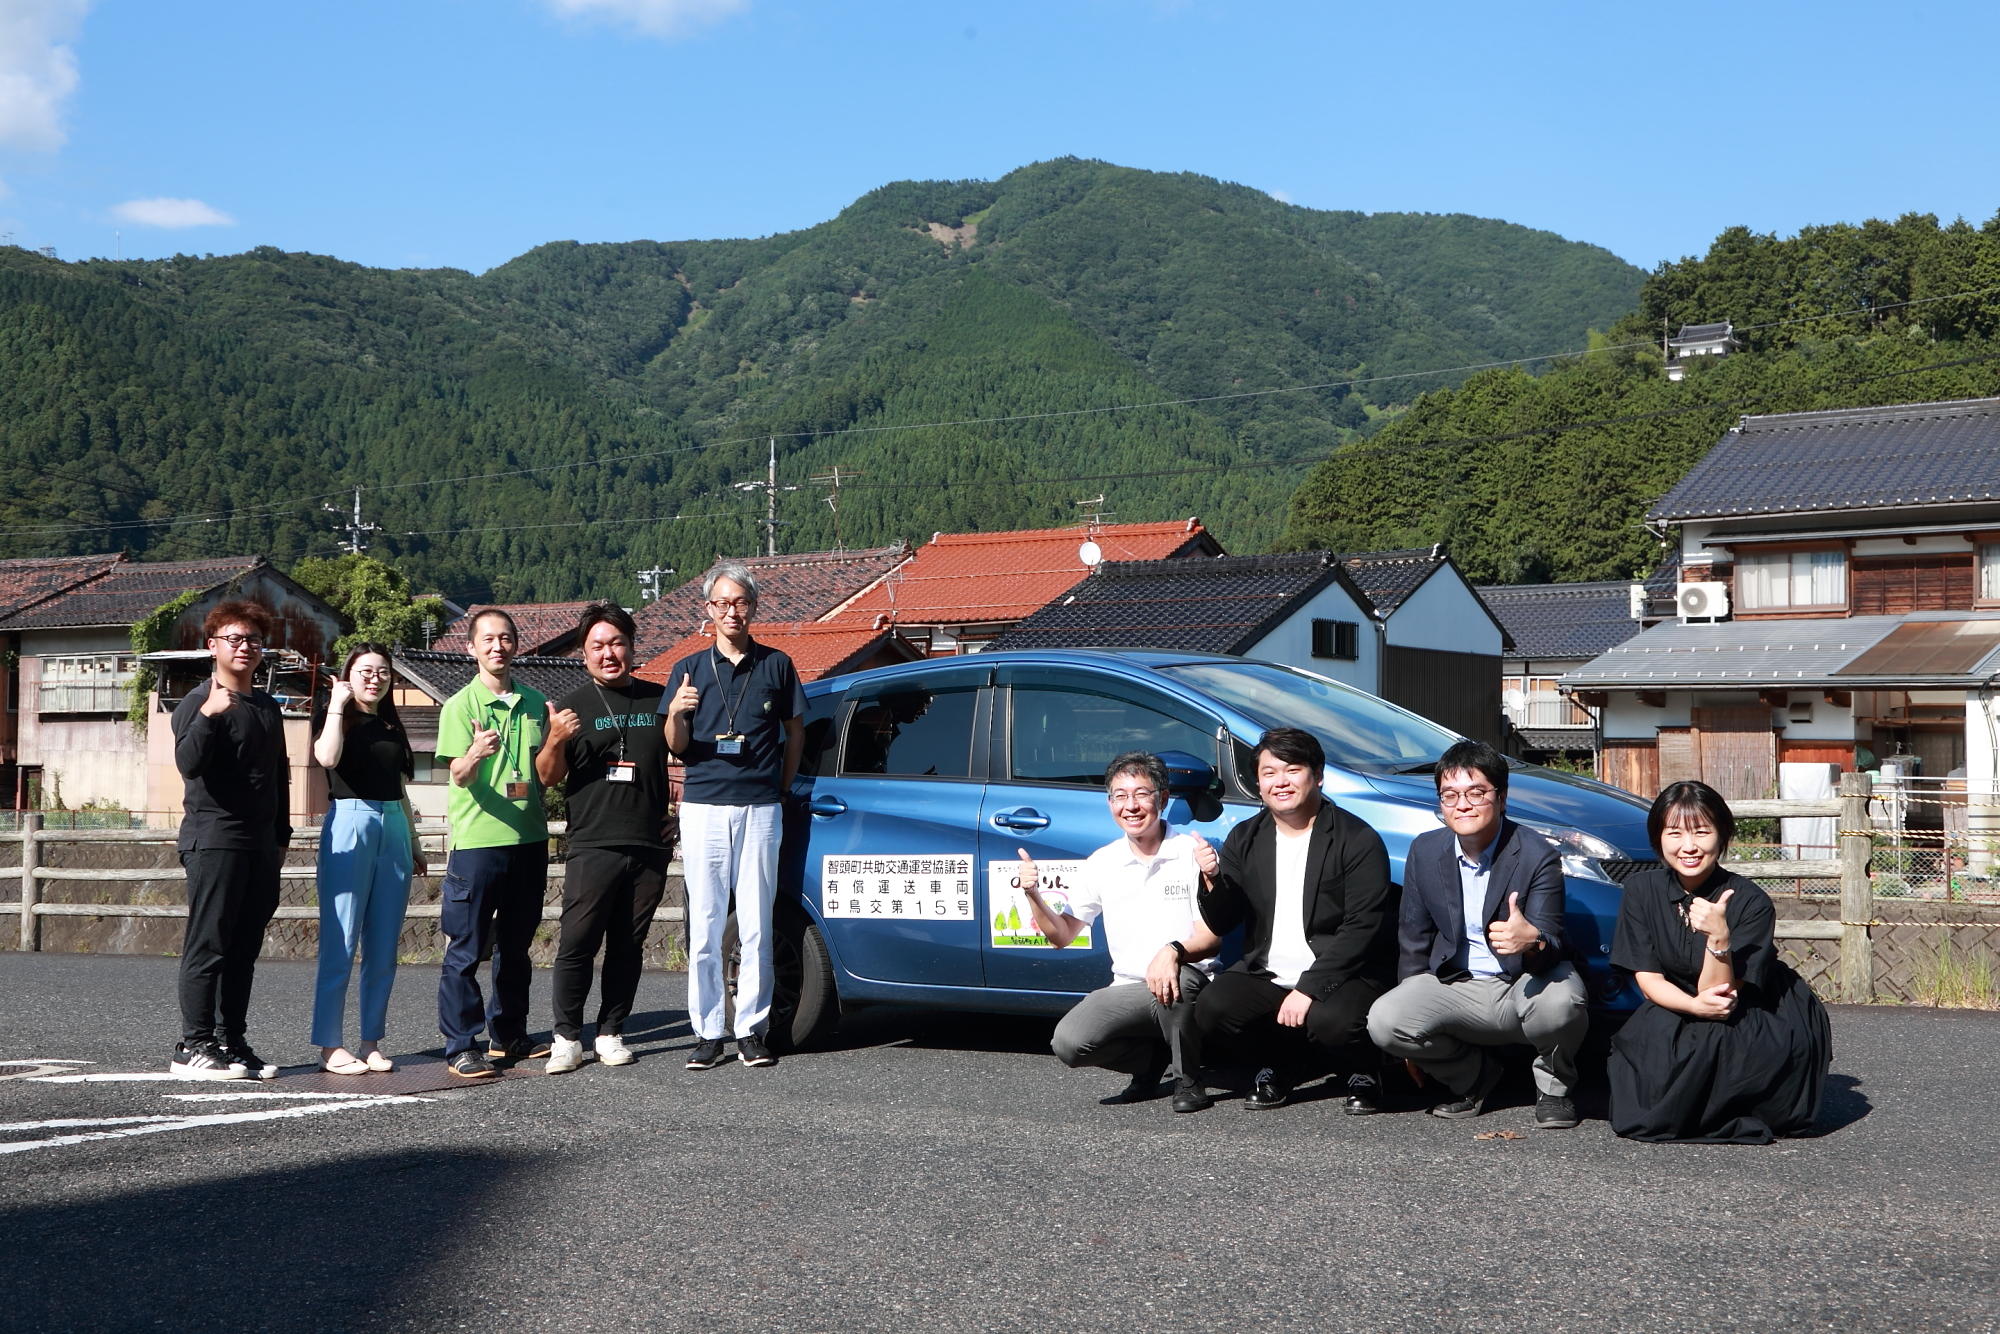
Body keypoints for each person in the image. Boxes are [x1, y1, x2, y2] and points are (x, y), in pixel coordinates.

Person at [1365, 739, 1589, 1129]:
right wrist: (1410, 1023)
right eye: (1449, 795)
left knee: (1563, 1002)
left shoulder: (1537, 853)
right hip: (1458, 983)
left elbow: (1553, 943)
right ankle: (1474, 1078)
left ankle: (1554, 1088)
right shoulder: (1425, 850)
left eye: (1476, 793)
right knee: (1385, 1020)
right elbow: (1414, 938)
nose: (1462, 805)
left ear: (1501, 798)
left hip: (1522, 979)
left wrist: (1530, 940)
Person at [1607, 780, 1832, 1143]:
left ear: (1722, 835)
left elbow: (1720, 993)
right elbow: (1649, 981)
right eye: (1675, 833)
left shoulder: (1751, 902)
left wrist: (1719, 938)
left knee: (1716, 1051)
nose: (1689, 846)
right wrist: (1693, 1006)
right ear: (1658, 838)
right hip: (1678, 996)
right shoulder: (1641, 890)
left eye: (1701, 832)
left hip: (1751, 1003)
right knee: (1642, 1097)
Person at [1192, 727, 1398, 1111]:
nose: (1280, 782)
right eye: (1269, 773)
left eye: (1292, 770)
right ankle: (1280, 1064)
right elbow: (1225, 920)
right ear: (1258, 783)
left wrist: (1309, 989)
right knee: (1212, 1008)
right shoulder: (1246, 837)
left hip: (1345, 973)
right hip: (1268, 971)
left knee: (1331, 1021)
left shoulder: (1357, 838)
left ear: (1317, 776)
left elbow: (1362, 927)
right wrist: (1211, 881)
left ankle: (1365, 1069)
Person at [1016, 753, 1225, 1114]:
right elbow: (1061, 935)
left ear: (1162, 798)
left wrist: (1172, 951)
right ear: (1110, 803)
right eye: (1120, 796)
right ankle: (1151, 1060)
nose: (1131, 806)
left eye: (1142, 794)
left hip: (1189, 981)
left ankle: (1188, 1079)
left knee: (1175, 980)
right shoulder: (1101, 862)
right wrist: (1033, 895)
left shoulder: (1191, 852)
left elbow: (1211, 939)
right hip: (1128, 986)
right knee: (1069, 1043)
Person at [662, 562, 805, 1071]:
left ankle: (751, 1029)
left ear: (753, 607)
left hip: (761, 807)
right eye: (721, 603)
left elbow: (796, 734)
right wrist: (678, 711)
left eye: (739, 602)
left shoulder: (777, 664)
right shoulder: (689, 668)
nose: (731, 611)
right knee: (703, 924)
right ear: (708, 610)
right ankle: (706, 1031)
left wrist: (781, 788)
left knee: (757, 924)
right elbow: (675, 748)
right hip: (702, 806)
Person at [535, 603, 672, 1074]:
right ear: (583, 652)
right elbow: (547, 777)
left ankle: (612, 1031)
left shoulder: (659, 700)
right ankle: (566, 1037)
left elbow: (690, 755)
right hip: (593, 841)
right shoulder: (570, 706)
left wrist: (681, 812)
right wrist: (554, 739)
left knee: (628, 946)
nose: (609, 653)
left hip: (649, 844)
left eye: (617, 643)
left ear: (632, 648)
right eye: (598, 646)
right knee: (578, 941)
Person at [169, 599, 290, 1081]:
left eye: (254, 640)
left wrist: (280, 838)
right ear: (212, 646)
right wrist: (209, 715)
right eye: (235, 639)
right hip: (214, 838)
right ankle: (193, 1045)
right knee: (209, 945)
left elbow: (279, 776)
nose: (246, 648)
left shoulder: (265, 706)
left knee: (243, 948)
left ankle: (231, 1041)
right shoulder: (198, 701)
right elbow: (188, 764)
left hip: (260, 845)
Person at [433, 607, 552, 1079]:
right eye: (488, 639)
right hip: (478, 843)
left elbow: (545, 770)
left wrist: (557, 736)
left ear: (516, 645)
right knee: (466, 947)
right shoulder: (459, 706)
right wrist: (475, 753)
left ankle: (509, 1035)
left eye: (505, 638)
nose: (497, 646)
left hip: (529, 837)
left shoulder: (535, 701)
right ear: (471, 648)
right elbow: (458, 775)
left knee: (517, 947)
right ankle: (462, 1044)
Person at [309, 643, 423, 1075]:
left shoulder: (391, 725)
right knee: (341, 938)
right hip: (350, 820)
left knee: (384, 946)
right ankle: (330, 1044)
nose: (374, 678)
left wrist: (412, 840)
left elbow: (400, 786)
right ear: (348, 674)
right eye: (365, 670)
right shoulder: (335, 716)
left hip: (392, 823)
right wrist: (336, 704)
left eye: (383, 672)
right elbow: (327, 758)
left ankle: (371, 1041)